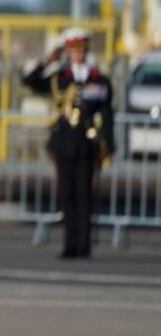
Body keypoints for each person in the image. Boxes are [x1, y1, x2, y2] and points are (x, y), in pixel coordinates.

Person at [22, 27, 114, 258]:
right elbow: (29, 82)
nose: (78, 55)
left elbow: (107, 113)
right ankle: (69, 245)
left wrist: (108, 144)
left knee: (85, 196)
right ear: (67, 52)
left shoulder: (98, 79)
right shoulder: (59, 78)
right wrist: (47, 61)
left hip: (87, 144)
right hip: (63, 143)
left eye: (81, 50)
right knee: (67, 195)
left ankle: (84, 245)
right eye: (73, 50)